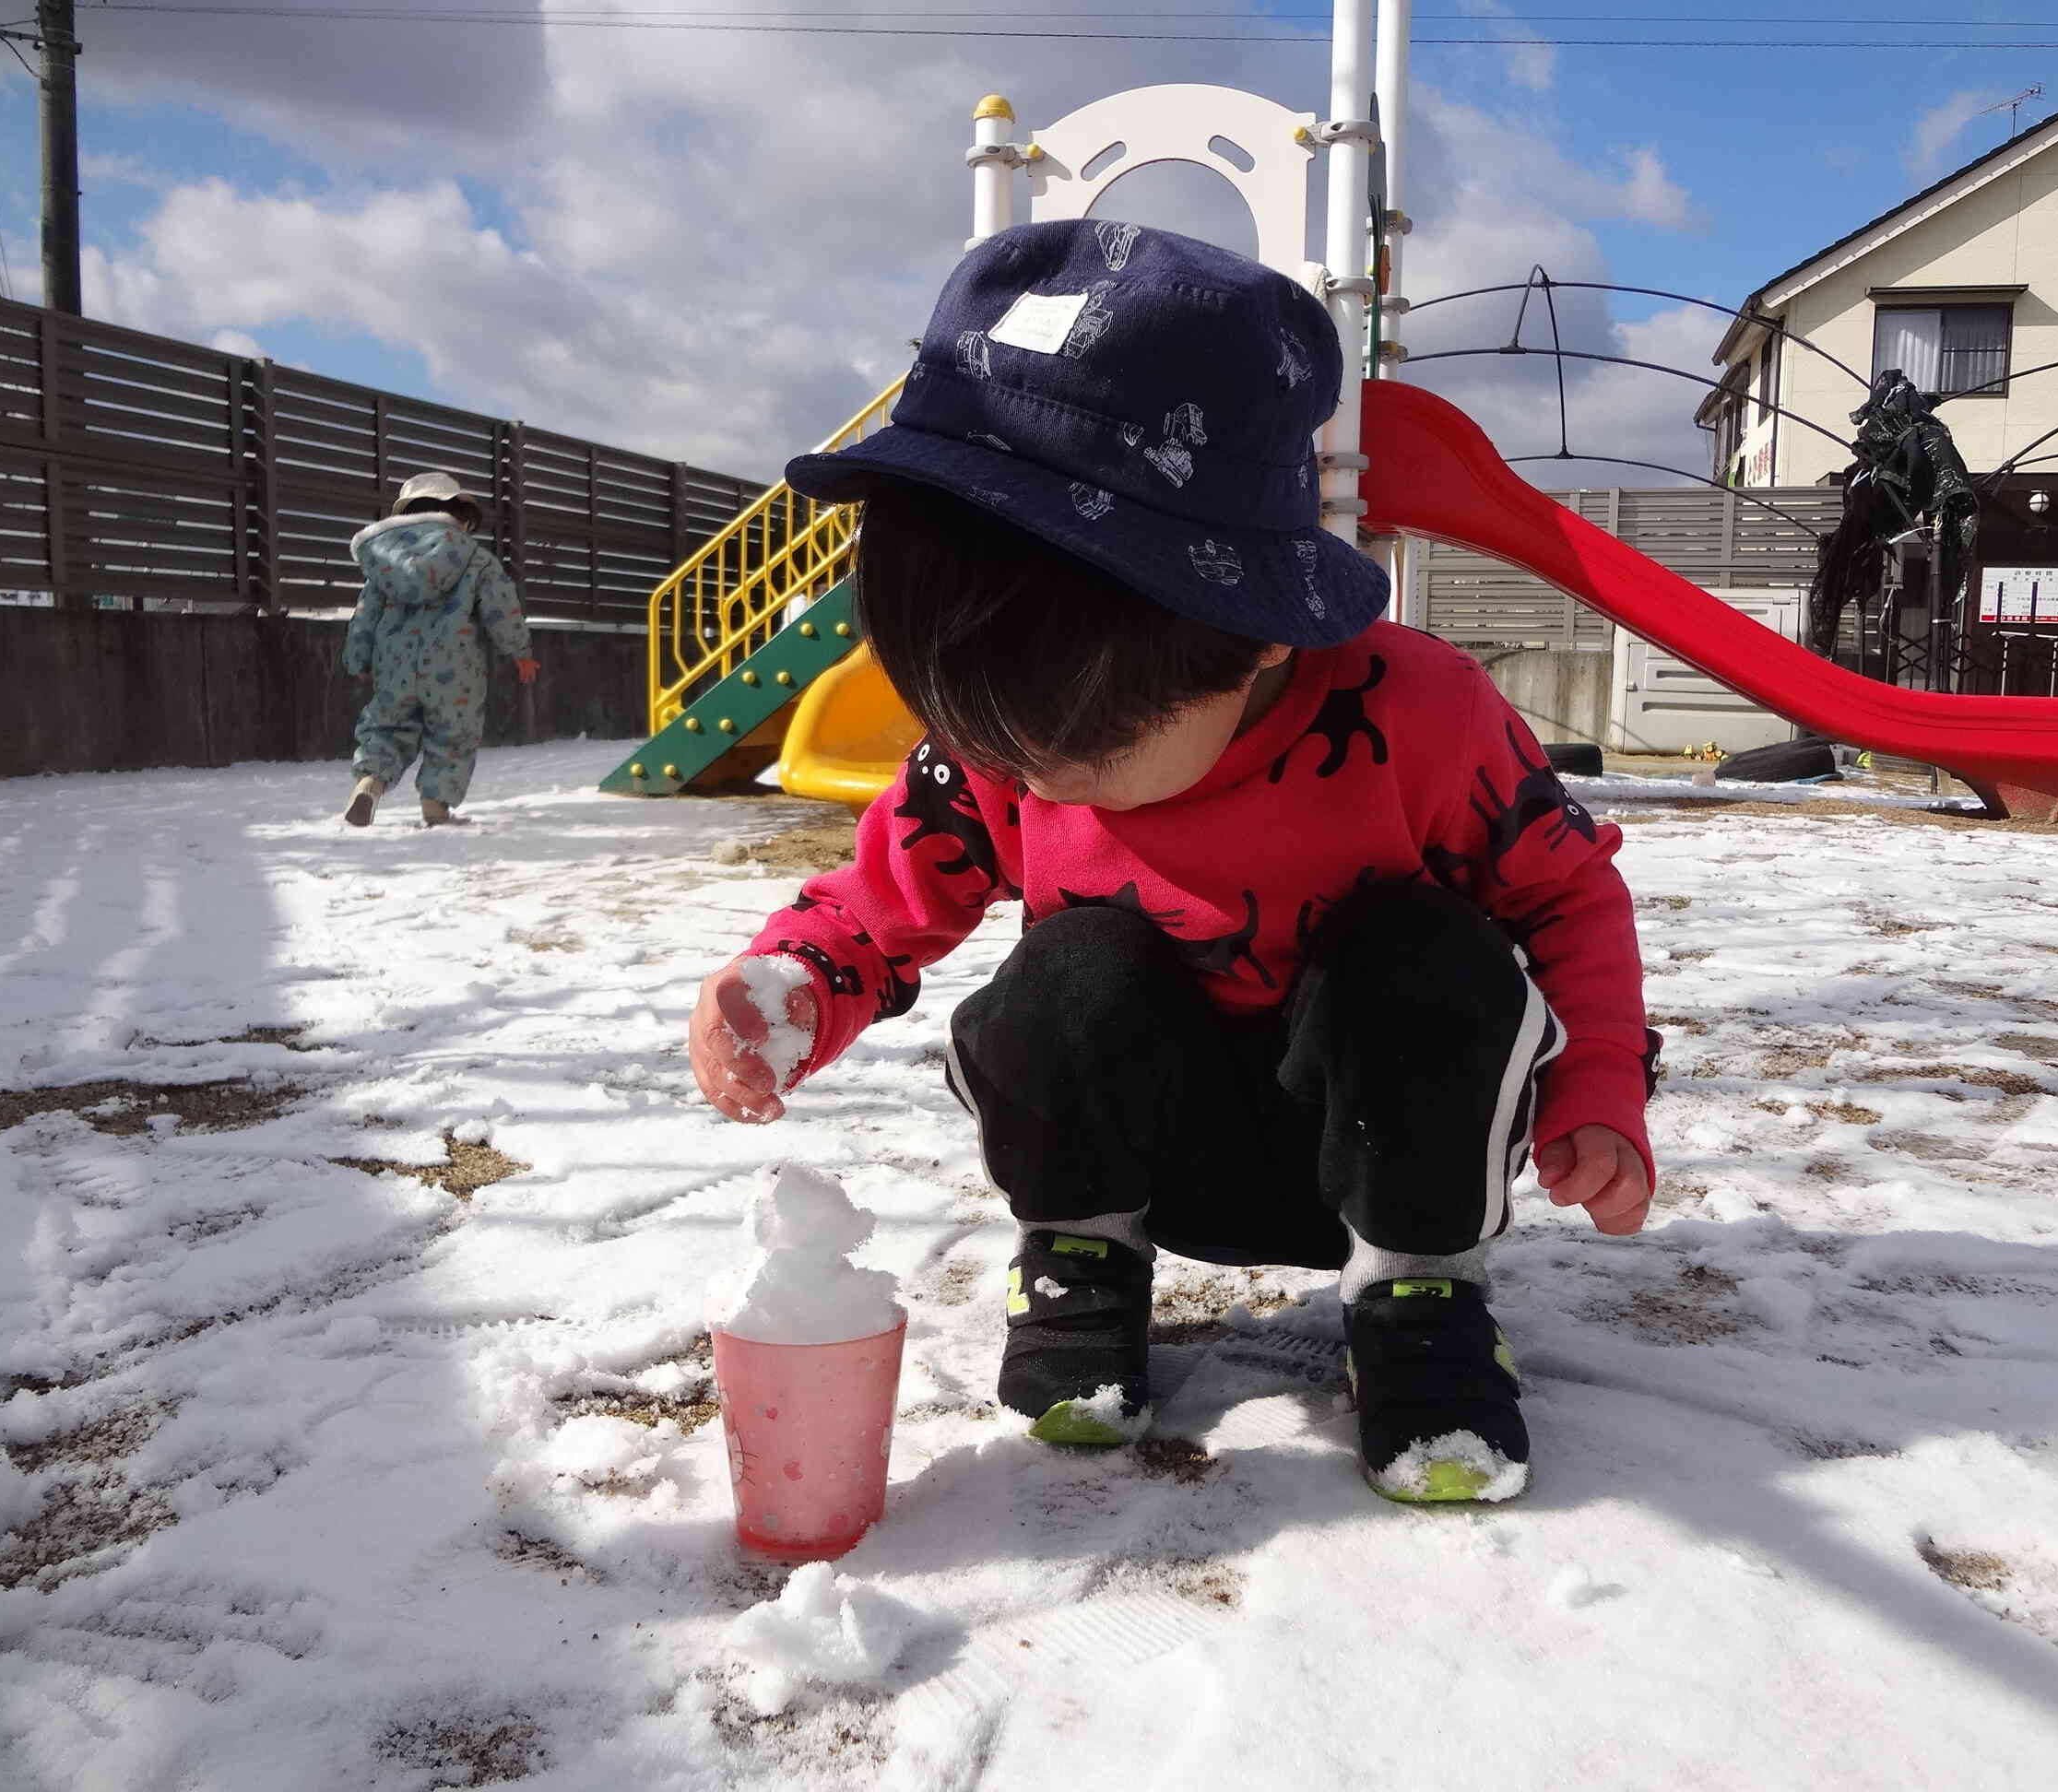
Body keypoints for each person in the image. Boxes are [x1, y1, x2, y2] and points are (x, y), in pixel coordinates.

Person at [687, 221, 1659, 1504]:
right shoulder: (1006, 731)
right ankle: (1085, 1264)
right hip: (1142, 1151)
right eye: (983, 740)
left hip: (1376, 1144)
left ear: (1257, 638)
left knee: (1423, 957)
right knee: (1070, 969)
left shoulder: (1420, 713)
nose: (1025, 784)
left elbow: (1564, 891)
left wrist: (1599, 1080)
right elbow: (886, 894)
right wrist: (793, 985)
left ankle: (1419, 1296)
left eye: (1076, 760)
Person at [341, 470, 538, 827]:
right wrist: (520, 652)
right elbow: (501, 607)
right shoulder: (475, 558)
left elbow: (364, 615)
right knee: (452, 733)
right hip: (456, 671)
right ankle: (435, 807)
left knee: (386, 726)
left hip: (394, 668)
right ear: (459, 516)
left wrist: (357, 657)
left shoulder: (385, 565)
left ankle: (370, 783)